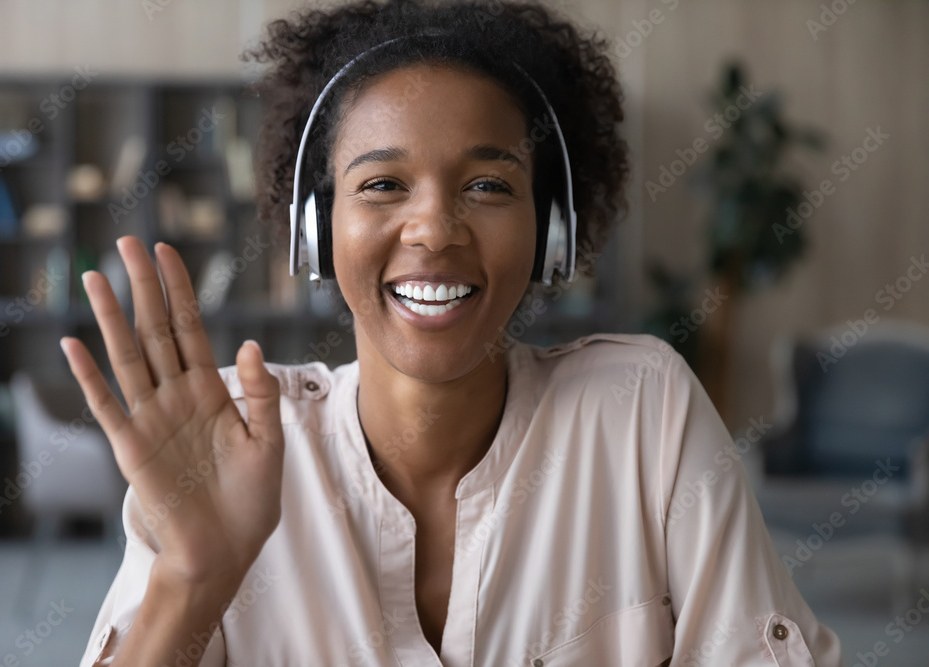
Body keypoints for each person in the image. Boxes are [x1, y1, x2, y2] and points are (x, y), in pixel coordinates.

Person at [67, 0, 842, 664]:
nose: (434, 228)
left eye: (487, 184)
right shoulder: (230, 439)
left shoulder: (643, 411)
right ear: (314, 230)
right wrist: (193, 575)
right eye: (381, 184)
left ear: (552, 231)